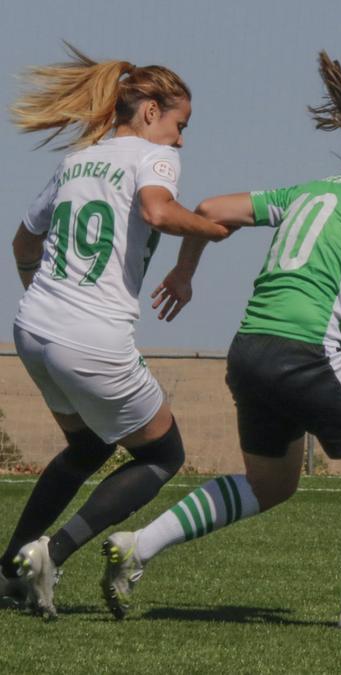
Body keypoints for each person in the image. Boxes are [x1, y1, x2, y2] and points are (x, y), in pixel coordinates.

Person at [100, 52, 341, 632]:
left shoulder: (309, 189)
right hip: (305, 353)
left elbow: (208, 210)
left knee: (270, 484)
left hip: (250, 351)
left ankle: (138, 545)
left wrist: (185, 273)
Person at [2, 45, 233, 618]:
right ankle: (50, 555)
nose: (181, 140)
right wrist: (211, 229)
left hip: (32, 327)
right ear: (151, 111)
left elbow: (22, 244)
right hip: (92, 336)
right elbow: (157, 211)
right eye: (181, 124)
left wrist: (47, 298)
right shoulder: (152, 157)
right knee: (163, 455)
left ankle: (7, 570)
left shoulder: (79, 158)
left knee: (87, 446)